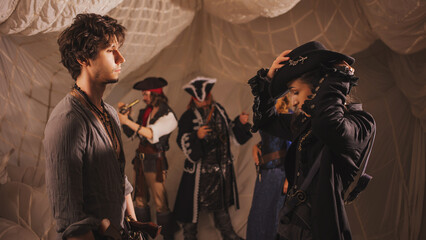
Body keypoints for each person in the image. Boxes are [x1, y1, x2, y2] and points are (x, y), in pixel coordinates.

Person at [249, 41, 376, 240]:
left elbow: (328, 123)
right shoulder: (303, 123)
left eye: (296, 92)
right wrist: (268, 81)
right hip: (289, 228)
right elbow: (266, 122)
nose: (293, 101)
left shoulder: (361, 123)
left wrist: (336, 75)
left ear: (320, 86)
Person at [44, 13, 137, 240]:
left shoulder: (111, 113)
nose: (121, 58)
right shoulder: (68, 122)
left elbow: (119, 179)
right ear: (83, 59)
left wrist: (135, 227)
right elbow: (71, 220)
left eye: (118, 49)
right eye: (110, 50)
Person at [174, 77, 252, 240]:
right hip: (198, 174)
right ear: (194, 99)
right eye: (199, 99)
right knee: (191, 209)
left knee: (221, 207)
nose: (203, 102)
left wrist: (240, 122)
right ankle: (189, 237)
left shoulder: (219, 110)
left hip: (220, 170)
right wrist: (197, 135)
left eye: (205, 98)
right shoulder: (188, 116)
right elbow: (181, 139)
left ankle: (228, 234)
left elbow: (230, 130)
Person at [118, 77, 179, 240]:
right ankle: (142, 235)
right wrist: (127, 119)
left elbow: (151, 134)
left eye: (146, 94)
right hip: (140, 162)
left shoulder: (168, 115)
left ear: (155, 94)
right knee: (139, 201)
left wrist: (126, 121)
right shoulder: (144, 112)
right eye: (143, 94)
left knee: (160, 202)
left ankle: (168, 236)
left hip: (155, 163)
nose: (144, 98)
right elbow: (133, 133)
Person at [245, 94, 292, 240]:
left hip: (280, 173)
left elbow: (293, 146)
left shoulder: (289, 113)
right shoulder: (269, 111)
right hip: (265, 173)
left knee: (272, 219)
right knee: (258, 216)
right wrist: (257, 146)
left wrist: (289, 177)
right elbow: (269, 138)